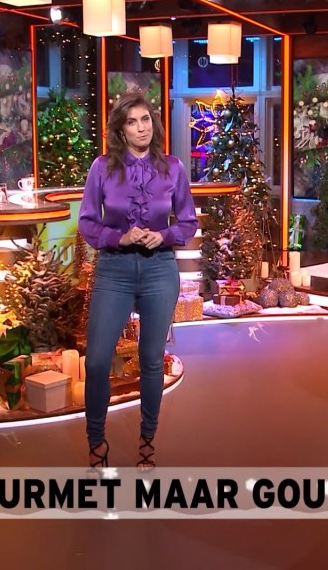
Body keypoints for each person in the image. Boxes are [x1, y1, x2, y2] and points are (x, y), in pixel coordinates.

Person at [78, 93, 198, 470]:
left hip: (159, 269)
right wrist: (119, 237)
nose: (141, 127)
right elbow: (87, 222)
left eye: (145, 119)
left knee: (150, 360)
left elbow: (188, 222)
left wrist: (163, 236)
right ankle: (96, 443)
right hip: (114, 269)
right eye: (132, 122)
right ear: (121, 130)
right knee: (97, 361)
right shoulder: (102, 168)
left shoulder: (173, 168)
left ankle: (147, 441)